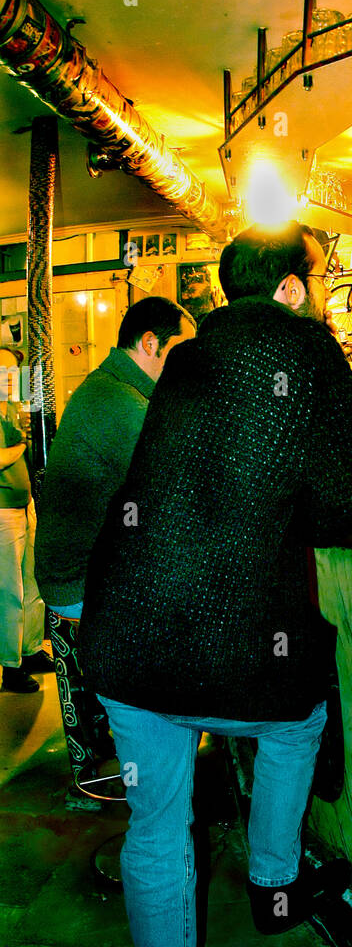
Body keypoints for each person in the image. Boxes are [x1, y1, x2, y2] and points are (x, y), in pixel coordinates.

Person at [77, 222, 352, 947]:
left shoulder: (184, 358)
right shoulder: (307, 346)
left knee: (155, 826)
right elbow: (346, 492)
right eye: (311, 283)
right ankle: (274, 885)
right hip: (233, 640)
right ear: (289, 289)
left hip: (127, 632)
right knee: (297, 724)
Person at [34, 298, 196, 782]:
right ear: (151, 345)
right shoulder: (116, 400)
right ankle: (158, 764)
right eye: (182, 352)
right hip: (79, 583)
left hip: (87, 572)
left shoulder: (116, 388)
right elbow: (179, 481)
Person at [0, 347, 48, 694]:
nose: (8, 374)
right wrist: (22, 443)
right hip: (2, 511)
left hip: (24, 503)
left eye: (12, 369)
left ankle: (30, 649)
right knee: (9, 593)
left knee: (32, 583)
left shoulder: (11, 406)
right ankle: (10, 666)